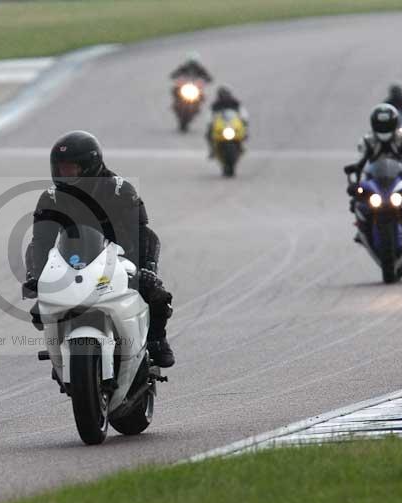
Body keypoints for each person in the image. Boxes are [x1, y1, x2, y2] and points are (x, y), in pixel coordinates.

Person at [22, 131, 175, 368]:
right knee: (40, 309)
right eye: (61, 168)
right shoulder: (52, 198)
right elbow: (40, 242)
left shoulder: (120, 190)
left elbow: (143, 234)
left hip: (120, 259)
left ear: (89, 165)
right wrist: (37, 277)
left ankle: (157, 340)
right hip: (74, 261)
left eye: (71, 169)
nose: (65, 174)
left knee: (157, 295)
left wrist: (147, 268)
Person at [344, 104, 402, 240]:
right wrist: (354, 180)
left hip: (400, 177)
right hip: (374, 179)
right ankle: (362, 228)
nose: (384, 128)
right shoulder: (367, 140)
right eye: (381, 125)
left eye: (386, 125)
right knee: (357, 202)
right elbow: (359, 160)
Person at [205, 85, 248, 157]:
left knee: (243, 130)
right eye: (222, 95)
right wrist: (210, 122)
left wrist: (244, 119)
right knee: (209, 133)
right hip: (220, 124)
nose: (224, 97)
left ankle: (241, 146)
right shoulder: (216, 104)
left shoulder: (234, 102)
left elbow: (242, 111)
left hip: (232, 123)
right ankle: (212, 149)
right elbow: (210, 114)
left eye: (225, 94)